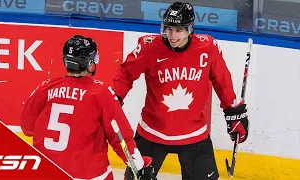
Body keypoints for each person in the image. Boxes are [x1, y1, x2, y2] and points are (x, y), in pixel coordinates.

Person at [112, 2, 249, 180]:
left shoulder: (207, 47)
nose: (172, 36)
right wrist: (115, 98)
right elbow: (125, 74)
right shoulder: (149, 47)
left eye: (178, 30)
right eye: (169, 29)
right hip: (152, 131)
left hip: (194, 134)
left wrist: (233, 111)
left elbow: (221, 80)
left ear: (190, 28)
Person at [20, 35, 155, 180]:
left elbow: (27, 128)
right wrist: (139, 166)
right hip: (89, 175)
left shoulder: (45, 88)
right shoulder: (101, 93)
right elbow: (120, 137)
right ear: (89, 62)